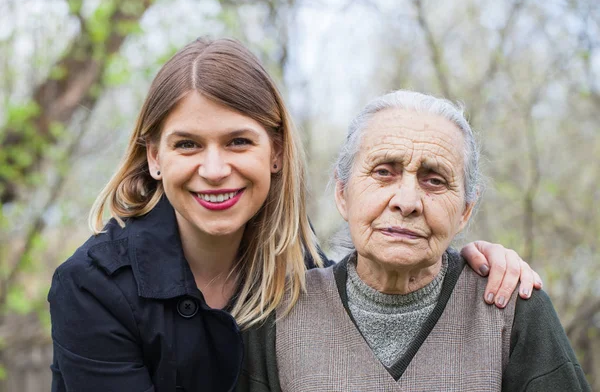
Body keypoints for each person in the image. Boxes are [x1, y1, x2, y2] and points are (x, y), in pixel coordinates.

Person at [48, 39, 541, 392]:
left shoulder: (298, 268)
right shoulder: (92, 287)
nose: (215, 169)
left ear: (276, 152)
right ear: (155, 157)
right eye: (188, 145)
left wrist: (471, 262)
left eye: (239, 141)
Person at [238, 90, 590, 391]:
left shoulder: (511, 310)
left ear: (466, 210)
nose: (407, 201)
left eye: (434, 180)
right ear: (343, 193)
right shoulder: (279, 314)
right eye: (383, 172)